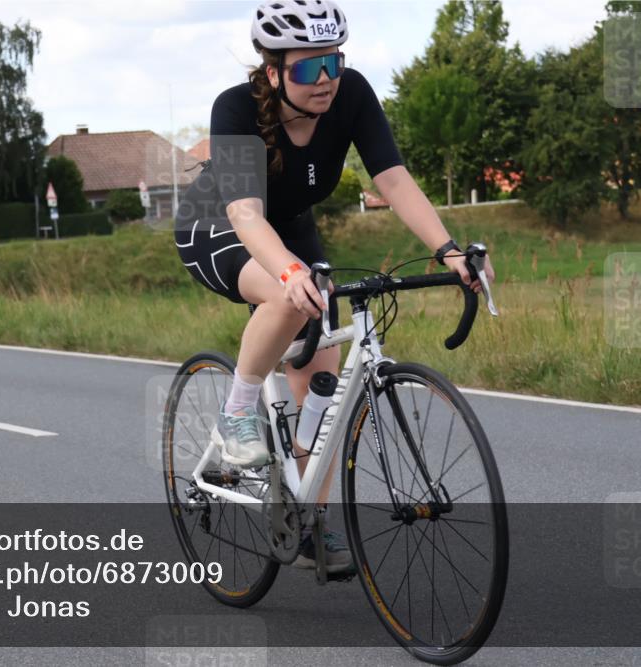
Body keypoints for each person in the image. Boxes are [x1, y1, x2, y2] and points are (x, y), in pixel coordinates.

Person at [174, 0, 495, 572]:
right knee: (285, 297)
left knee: (322, 371)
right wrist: (291, 272)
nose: (324, 81)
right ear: (273, 71)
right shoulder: (236, 108)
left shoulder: (352, 94)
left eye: (333, 64)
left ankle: (307, 518)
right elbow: (247, 213)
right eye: (307, 69)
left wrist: (447, 248)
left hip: (290, 224)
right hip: (219, 223)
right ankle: (238, 413)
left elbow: (393, 179)